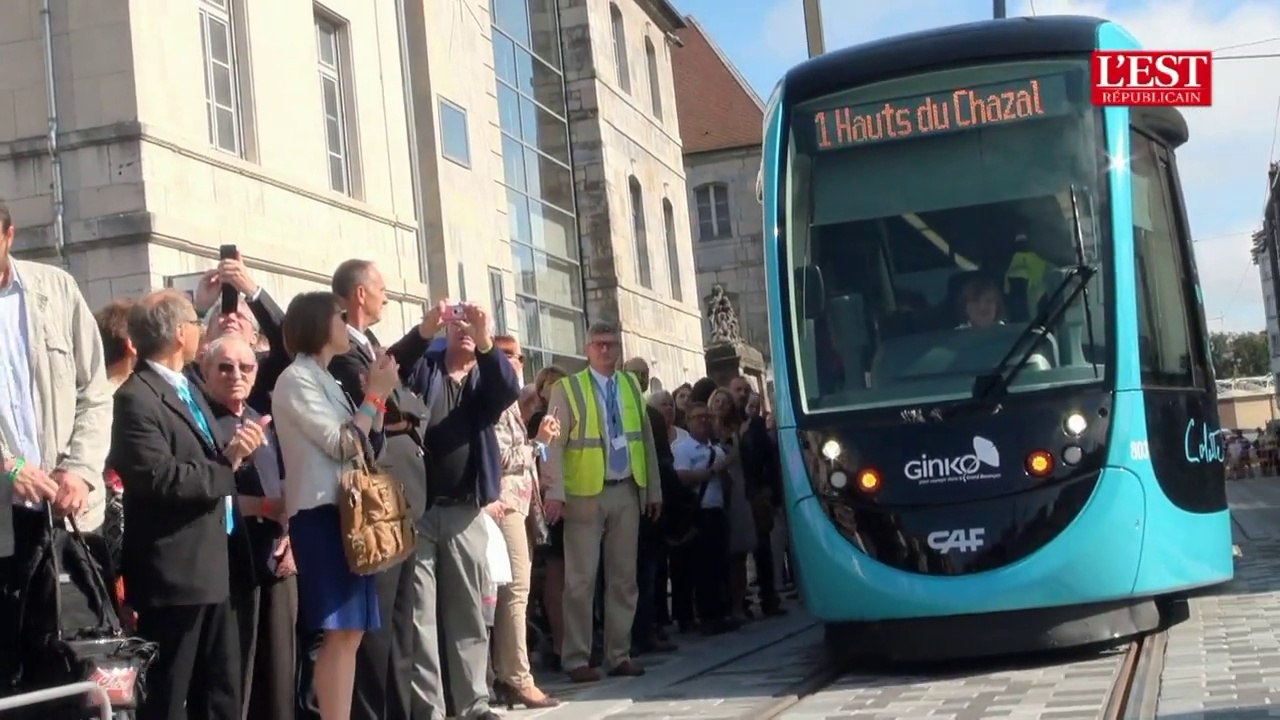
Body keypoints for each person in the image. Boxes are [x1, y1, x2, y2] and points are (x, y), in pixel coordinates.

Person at [110, 289, 267, 720]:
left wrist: (237, 450)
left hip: (216, 565)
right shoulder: (136, 397)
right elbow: (157, 479)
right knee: (171, 693)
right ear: (181, 334)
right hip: (174, 575)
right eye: (197, 323)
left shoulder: (188, 388)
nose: (201, 330)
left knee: (221, 690)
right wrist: (230, 464)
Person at [0, 199, 116, 692]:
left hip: (67, 516)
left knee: (73, 666)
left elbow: (95, 389)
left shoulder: (55, 290)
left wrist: (82, 469)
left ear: (8, 235)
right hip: (5, 522)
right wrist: (5, 467)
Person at [389, 300, 519, 720]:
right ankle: (429, 708)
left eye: (472, 324)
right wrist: (426, 328)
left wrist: (485, 339)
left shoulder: (485, 376)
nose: (463, 329)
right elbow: (392, 365)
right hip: (418, 510)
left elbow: (508, 388)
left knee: (468, 612)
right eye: (457, 324)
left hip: (465, 510)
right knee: (420, 616)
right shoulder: (425, 367)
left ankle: (473, 703)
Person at [273, 291, 399, 720]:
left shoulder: (327, 378)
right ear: (317, 324)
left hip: (348, 514)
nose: (347, 324)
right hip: (322, 515)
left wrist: (376, 397)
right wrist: (373, 398)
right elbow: (342, 442)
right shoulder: (296, 378)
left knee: (353, 631)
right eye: (339, 317)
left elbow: (367, 442)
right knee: (340, 628)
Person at [324, 259, 427, 720]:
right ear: (360, 294)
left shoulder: (371, 344)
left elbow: (401, 395)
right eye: (382, 288)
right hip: (371, 502)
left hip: (397, 497)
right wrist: (391, 399)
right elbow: (384, 407)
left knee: (401, 624)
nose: (387, 296)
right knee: (378, 630)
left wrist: (424, 334)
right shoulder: (344, 352)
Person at [542, 321, 662, 682]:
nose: (606, 351)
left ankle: (618, 652)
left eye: (611, 345)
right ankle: (576, 657)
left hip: (626, 488)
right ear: (587, 348)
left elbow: (646, 441)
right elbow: (553, 445)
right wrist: (555, 492)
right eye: (599, 345)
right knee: (580, 581)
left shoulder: (629, 386)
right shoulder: (568, 388)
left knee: (624, 579)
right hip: (584, 494)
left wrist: (652, 489)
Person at [202, 335, 297, 719]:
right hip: (228, 564)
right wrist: (261, 505)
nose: (236, 375)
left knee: (279, 677)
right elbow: (206, 493)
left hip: (276, 560)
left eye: (246, 367)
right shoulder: (201, 422)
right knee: (234, 677)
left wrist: (292, 534)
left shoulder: (264, 417)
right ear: (205, 371)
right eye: (224, 367)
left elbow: (289, 483)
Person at [490, 335, 561, 709]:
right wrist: (538, 441)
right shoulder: (494, 400)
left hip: (519, 505)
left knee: (517, 591)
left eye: (516, 357)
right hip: (504, 505)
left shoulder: (510, 403)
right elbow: (500, 457)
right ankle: (516, 676)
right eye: (505, 356)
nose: (513, 363)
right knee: (515, 591)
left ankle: (508, 672)